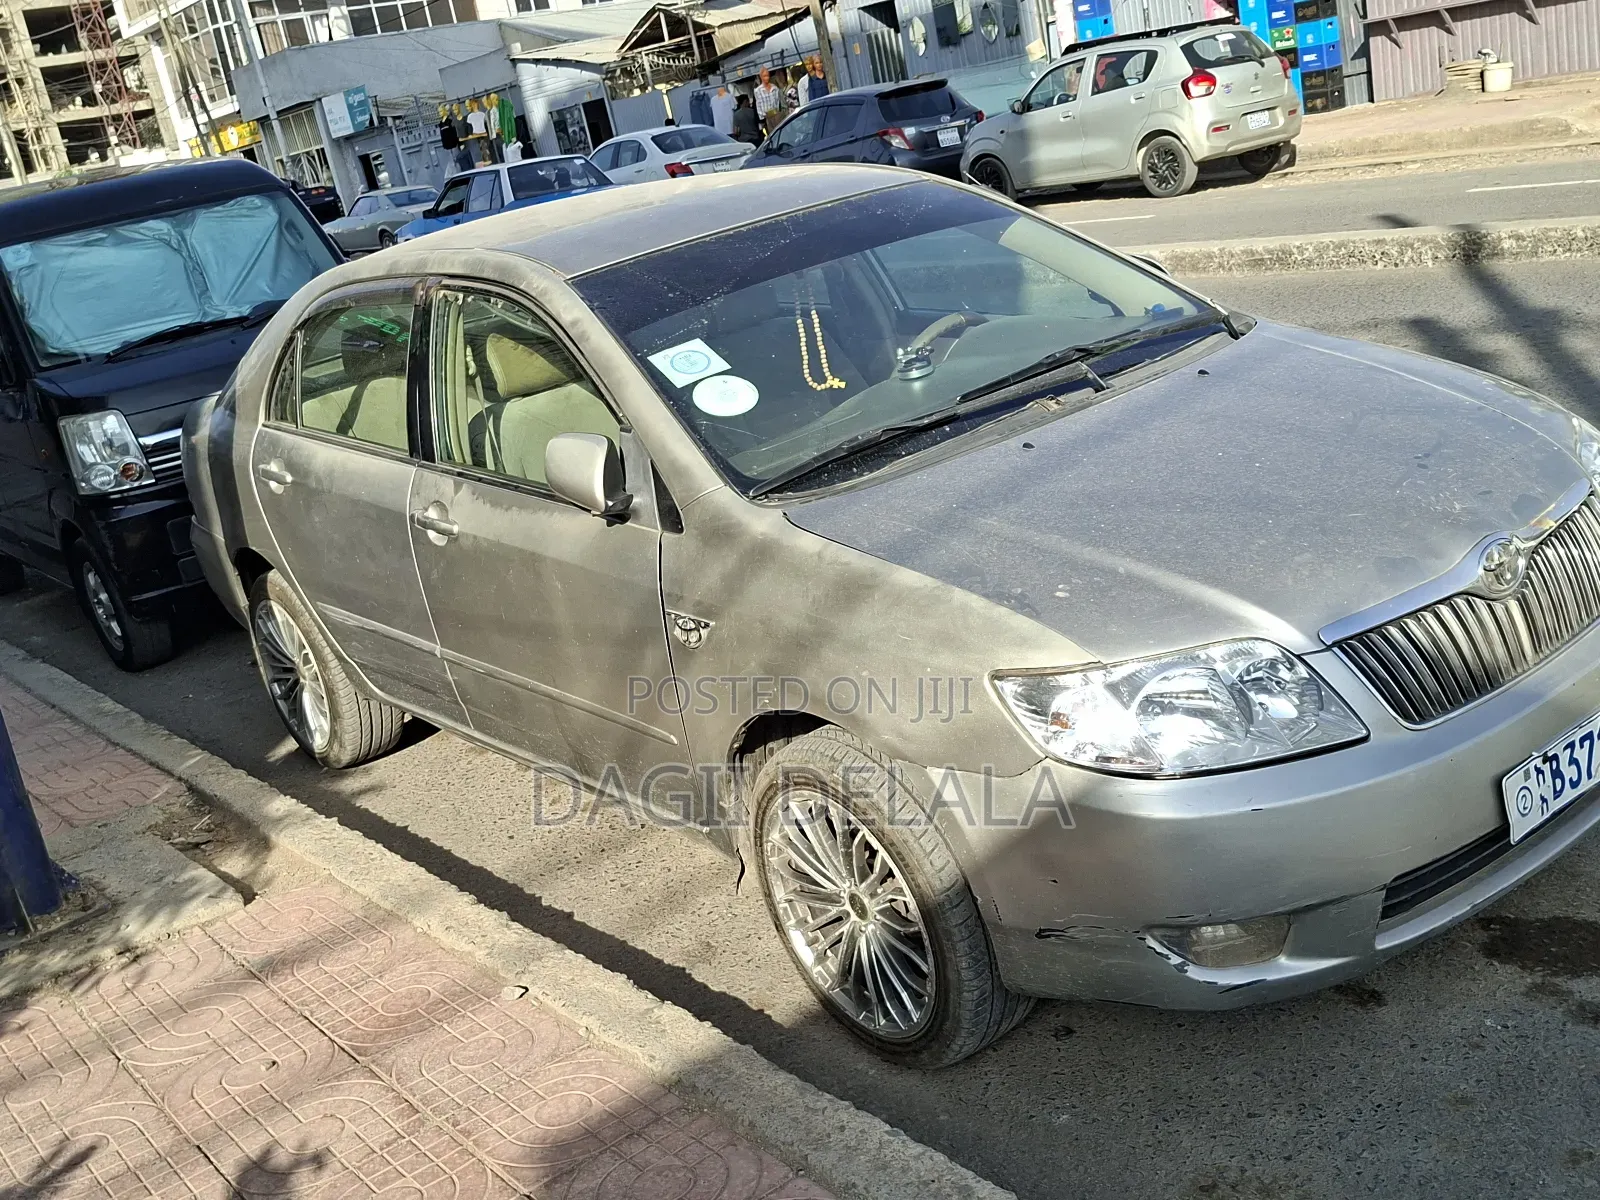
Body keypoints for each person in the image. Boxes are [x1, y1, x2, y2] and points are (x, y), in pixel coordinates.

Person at [754, 67, 785, 135]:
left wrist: (778, 112)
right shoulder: (757, 91)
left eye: (767, 75)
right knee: (772, 134)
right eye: (764, 76)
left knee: (780, 132)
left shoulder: (774, 88)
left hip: (776, 114)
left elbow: (778, 102)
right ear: (761, 77)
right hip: (767, 116)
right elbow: (758, 105)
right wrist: (764, 115)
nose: (767, 78)